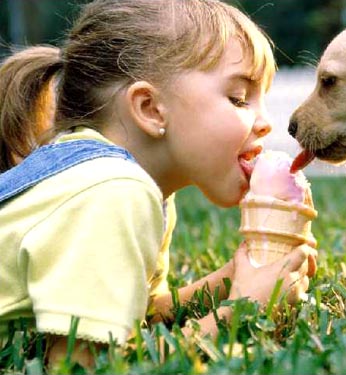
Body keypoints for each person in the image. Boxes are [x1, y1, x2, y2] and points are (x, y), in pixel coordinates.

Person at [0, 0, 317, 369]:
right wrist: (241, 311)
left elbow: (140, 317)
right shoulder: (113, 191)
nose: (265, 122)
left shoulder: (136, 188)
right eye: (239, 98)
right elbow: (81, 364)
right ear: (149, 108)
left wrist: (228, 280)